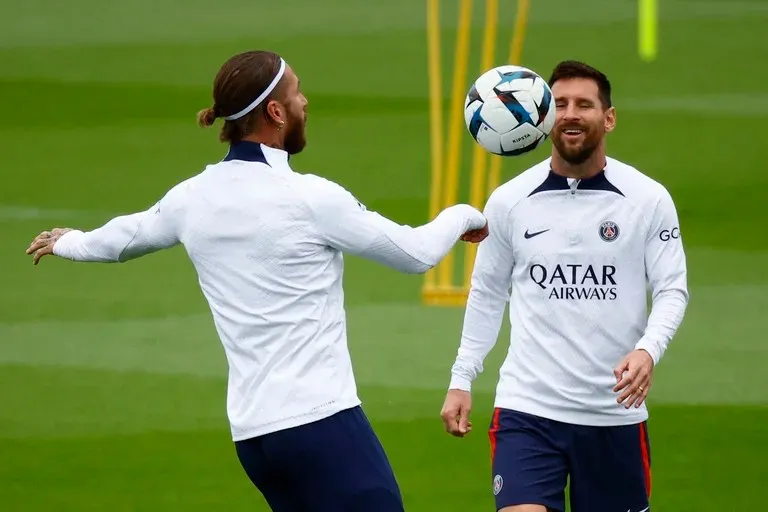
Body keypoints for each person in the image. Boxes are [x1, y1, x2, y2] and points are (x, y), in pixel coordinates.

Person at [25, 50, 489, 512]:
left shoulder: (191, 197)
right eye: (297, 93)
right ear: (275, 111)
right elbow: (415, 254)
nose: (305, 102)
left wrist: (68, 242)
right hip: (320, 424)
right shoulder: (308, 198)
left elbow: (123, 239)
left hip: (255, 439)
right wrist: (464, 214)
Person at [439, 60, 688, 512]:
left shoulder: (648, 199)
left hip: (613, 415)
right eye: (561, 104)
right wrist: (461, 379)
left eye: (584, 105)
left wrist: (648, 350)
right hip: (528, 409)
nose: (571, 113)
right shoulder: (510, 201)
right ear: (546, 116)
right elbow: (487, 293)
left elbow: (672, 289)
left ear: (608, 118)